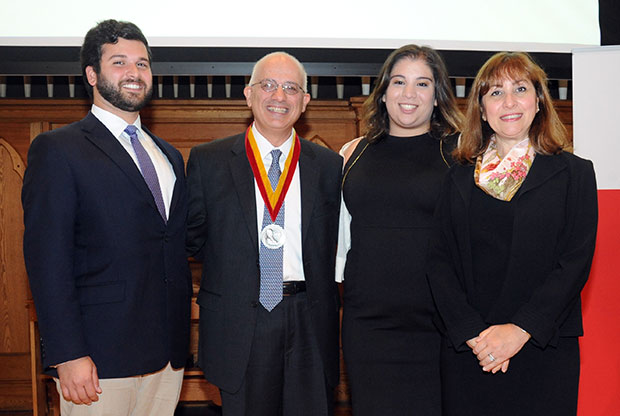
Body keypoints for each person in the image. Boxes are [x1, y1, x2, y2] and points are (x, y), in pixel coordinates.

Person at [22, 19, 191, 415]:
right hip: (98, 361)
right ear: (92, 75)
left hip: (167, 357)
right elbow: (48, 262)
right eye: (119, 62)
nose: (134, 73)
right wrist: (67, 353)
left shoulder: (169, 155)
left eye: (143, 64)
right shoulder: (58, 149)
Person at [426, 52, 598, 415]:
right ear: (482, 108)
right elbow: (438, 260)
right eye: (495, 92)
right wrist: (473, 334)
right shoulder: (455, 175)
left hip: (542, 347)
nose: (509, 102)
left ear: (538, 102)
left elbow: (575, 262)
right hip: (470, 350)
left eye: (520, 89)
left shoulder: (574, 174)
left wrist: (520, 330)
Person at [186, 51, 342, 416]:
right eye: (268, 85)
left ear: (304, 101)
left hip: (309, 318)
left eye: (291, 88)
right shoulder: (209, 161)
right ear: (248, 94)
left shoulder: (329, 166)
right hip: (241, 319)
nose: (278, 96)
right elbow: (191, 241)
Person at [335, 44, 463, 415]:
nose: (409, 94)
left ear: (437, 96)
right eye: (399, 82)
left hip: (437, 326)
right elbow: (339, 241)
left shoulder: (459, 154)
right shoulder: (352, 152)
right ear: (384, 92)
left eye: (422, 84)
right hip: (367, 327)